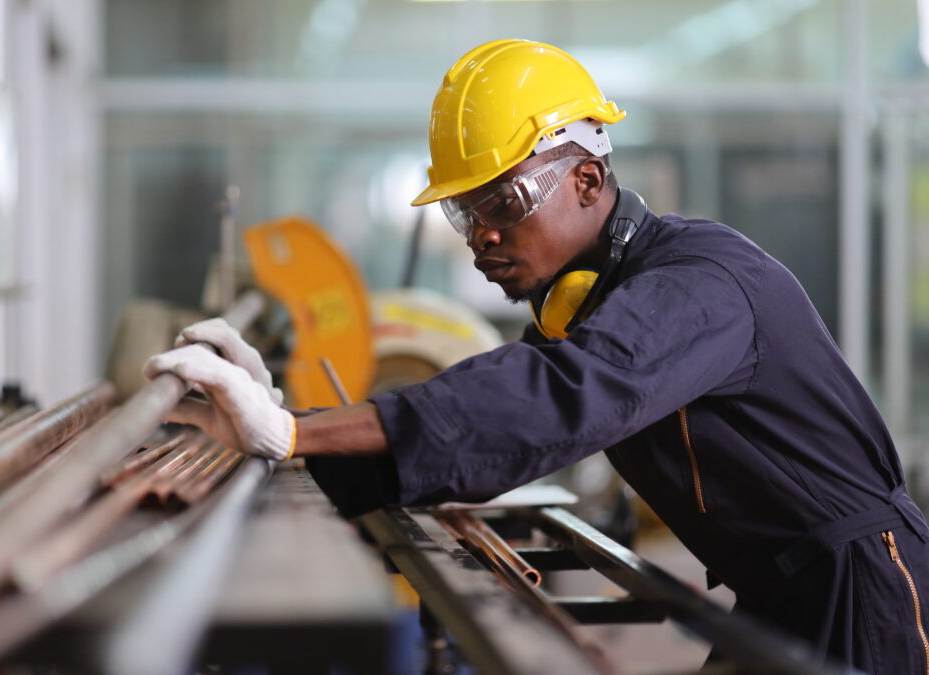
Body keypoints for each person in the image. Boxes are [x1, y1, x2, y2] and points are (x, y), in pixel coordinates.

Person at [143, 39, 929, 673]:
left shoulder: (698, 285)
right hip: (780, 589)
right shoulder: (589, 295)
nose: (483, 234)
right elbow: (499, 434)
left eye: (504, 203)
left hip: (865, 591)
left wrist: (291, 432)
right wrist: (287, 425)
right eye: (465, 211)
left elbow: (553, 397)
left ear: (588, 179)